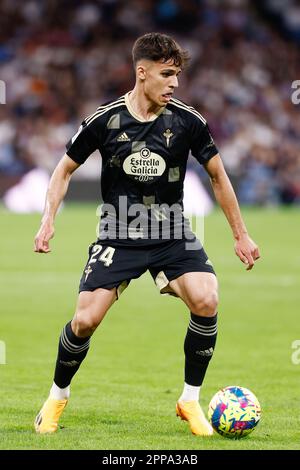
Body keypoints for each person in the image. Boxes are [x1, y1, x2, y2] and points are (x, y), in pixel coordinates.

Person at [34, 32, 260, 436]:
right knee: (84, 321)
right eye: (167, 74)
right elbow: (63, 169)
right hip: (118, 232)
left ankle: (189, 400)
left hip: (171, 232)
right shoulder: (104, 120)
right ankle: (57, 396)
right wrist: (48, 218)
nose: (175, 83)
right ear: (142, 73)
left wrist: (241, 235)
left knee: (207, 299)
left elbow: (218, 177)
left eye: (177, 76)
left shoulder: (189, 121)